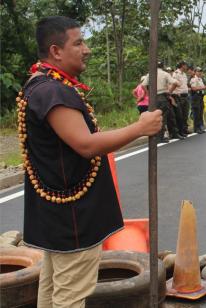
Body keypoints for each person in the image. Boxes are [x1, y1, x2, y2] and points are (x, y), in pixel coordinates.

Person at [21, 16, 161, 307]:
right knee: (70, 296)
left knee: (53, 291)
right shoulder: (52, 91)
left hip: (56, 215)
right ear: (56, 51)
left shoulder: (40, 83)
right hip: (72, 219)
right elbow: (85, 144)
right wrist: (140, 128)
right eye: (79, 43)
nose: (86, 49)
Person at [142, 61, 183, 143]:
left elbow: (143, 85)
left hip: (153, 98)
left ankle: (157, 136)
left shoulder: (150, 74)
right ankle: (161, 137)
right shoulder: (165, 74)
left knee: (155, 117)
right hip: (163, 97)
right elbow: (176, 83)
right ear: (162, 66)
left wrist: (149, 95)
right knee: (165, 117)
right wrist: (170, 91)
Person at [173, 61, 190, 136]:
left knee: (185, 114)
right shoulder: (176, 74)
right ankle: (180, 131)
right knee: (180, 115)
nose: (186, 67)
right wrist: (176, 93)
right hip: (179, 96)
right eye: (186, 65)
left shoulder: (184, 74)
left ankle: (184, 129)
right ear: (182, 66)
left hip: (186, 96)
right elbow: (174, 84)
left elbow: (184, 85)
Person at [190, 67, 206, 134]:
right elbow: (194, 88)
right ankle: (196, 128)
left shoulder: (201, 79)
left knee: (200, 112)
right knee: (196, 113)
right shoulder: (193, 79)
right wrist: (203, 88)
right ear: (195, 72)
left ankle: (200, 127)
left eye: (200, 71)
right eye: (198, 71)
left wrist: (203, 87)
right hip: (195, 97)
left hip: (200, 96)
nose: (200, 72)